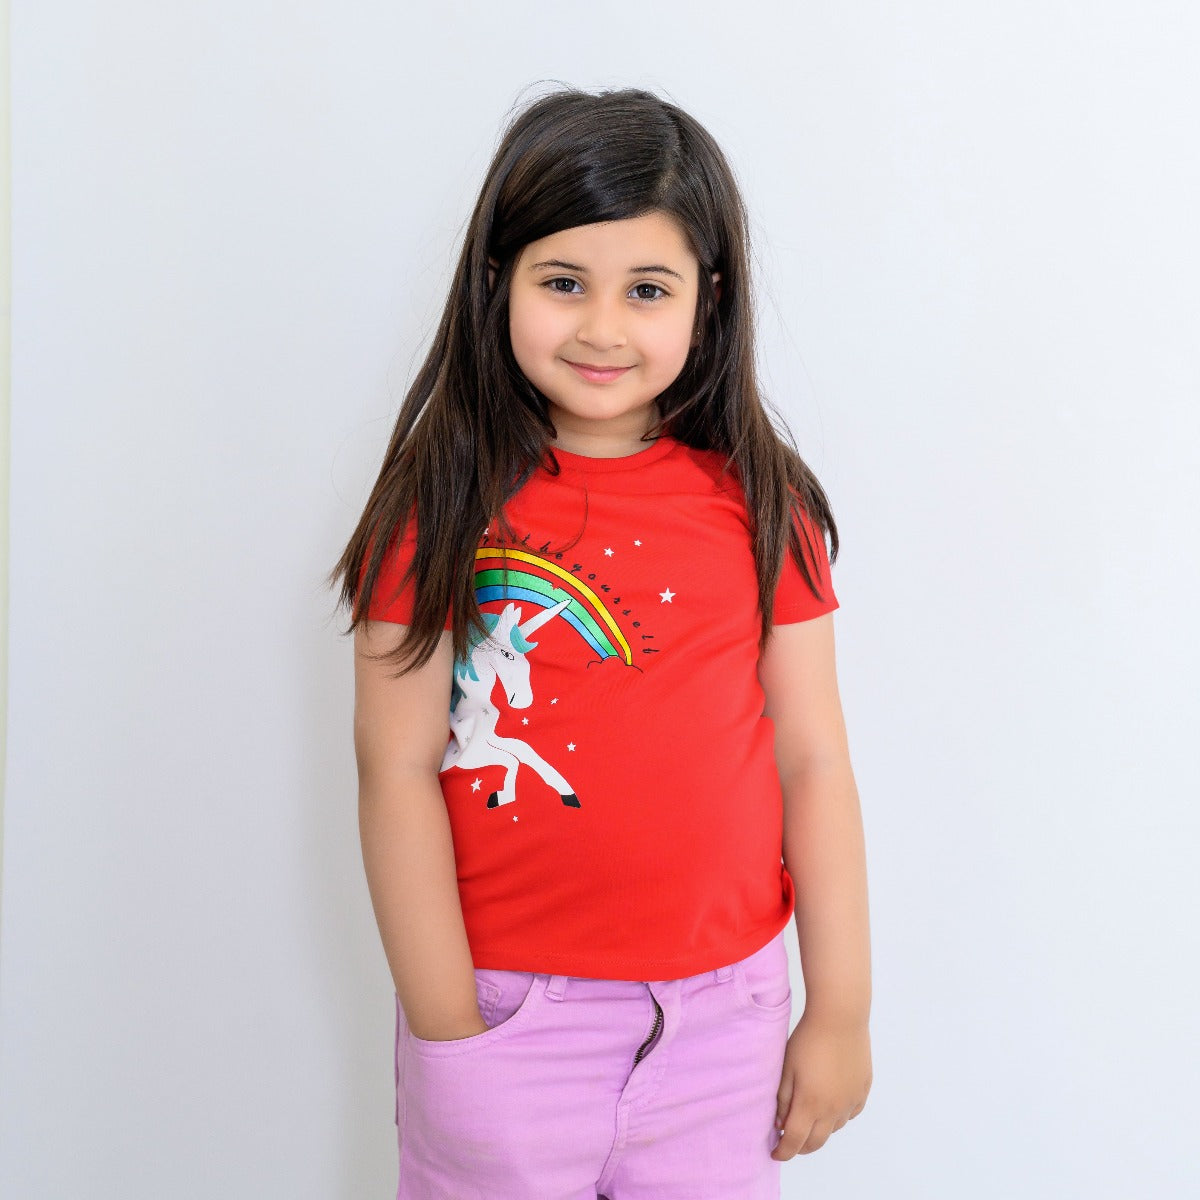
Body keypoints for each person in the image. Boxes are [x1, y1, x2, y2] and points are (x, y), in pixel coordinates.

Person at [329, 84, 872, 1200]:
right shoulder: (438, 507)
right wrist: (447, 1029)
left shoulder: (764, 506)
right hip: (506, 1021)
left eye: (648, 289)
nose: (603, 328)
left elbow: (815, 759)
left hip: (725, 1027)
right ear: (498, 282)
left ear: (708, 302)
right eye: (564, 282)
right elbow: (395, 768)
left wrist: (842, 1010)